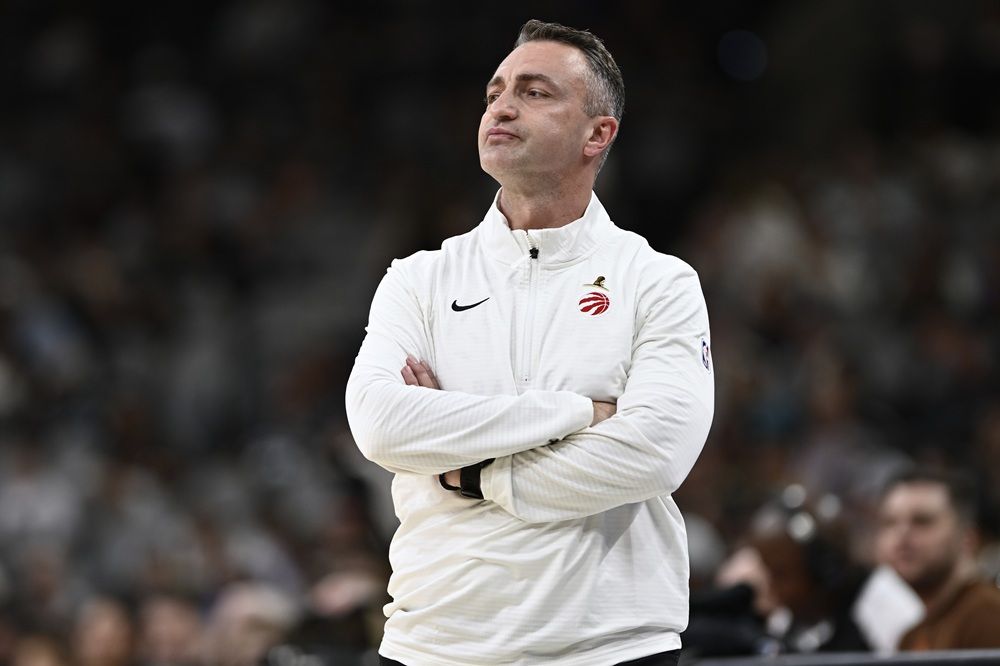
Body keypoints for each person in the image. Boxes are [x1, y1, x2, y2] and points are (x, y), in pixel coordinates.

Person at [345, 19, 714, 666]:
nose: (502, 106)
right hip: (432, 644)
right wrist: (572, 413)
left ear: (597, 134)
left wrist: (469, 470)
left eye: (536, 92)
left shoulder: (659, 281)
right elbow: (380, 426)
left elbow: (653, 455)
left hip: (608, 647)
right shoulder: (419, 279)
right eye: (494, 92)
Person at [875, 468, 1000, 650]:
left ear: (967, 538)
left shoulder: (988, 617)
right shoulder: (911, 637)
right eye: (890, 522)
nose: (901, 535)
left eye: (922, 521)